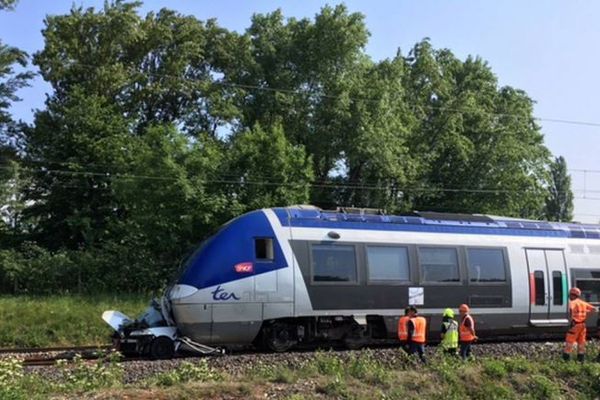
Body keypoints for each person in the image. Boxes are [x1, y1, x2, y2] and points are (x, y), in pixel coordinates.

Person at [563, 287, 597, 362]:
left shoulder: (572, 303)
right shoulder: (582, 303)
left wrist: (572, 318)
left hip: (574, 325)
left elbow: (569, 309)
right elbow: (594, 309)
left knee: (569, 342)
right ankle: (581, 361)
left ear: (571, 294)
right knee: (581, 343)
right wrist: (585, 315)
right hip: (583, 325)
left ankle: (566, 361)